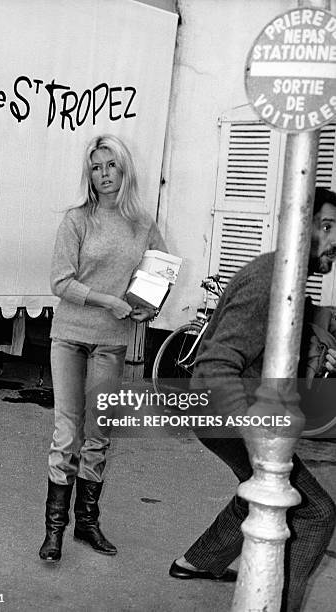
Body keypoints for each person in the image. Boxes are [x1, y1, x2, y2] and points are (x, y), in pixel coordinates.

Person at [169, 187, 336, 611]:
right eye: (327, 227)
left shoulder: (288, 278)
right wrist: (258, 433)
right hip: (222, 412)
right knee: (313, 512)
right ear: (300, 226)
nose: (335, 241)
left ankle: (198, 561)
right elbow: (213, 368)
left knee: (264, 489)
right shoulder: (271, 281)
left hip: (229, 411)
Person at [39, 134, 166, 562]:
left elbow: (160, 273)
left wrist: (147, 308)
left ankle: (87, 524)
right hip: (70, 338)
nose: (104, 174)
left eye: (111, 165)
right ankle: (55, 530)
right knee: (66, 433)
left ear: (125, 169)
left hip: (111, 344)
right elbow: (59, 281)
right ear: (88, 175)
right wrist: (105, 299)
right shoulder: (77, 219)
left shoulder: (143, 224)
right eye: (96, 167)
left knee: (98, 436)